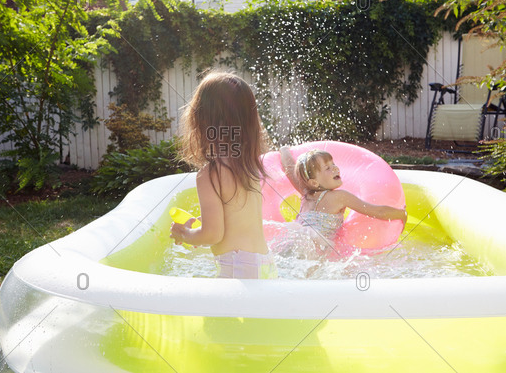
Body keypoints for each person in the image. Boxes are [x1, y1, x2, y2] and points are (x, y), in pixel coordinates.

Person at [170, 71, 277, 279]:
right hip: (264, 262)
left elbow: (213, 235)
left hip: (239, 267)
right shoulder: (250, 166)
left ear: (200, 121)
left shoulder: (210, 174)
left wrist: (184, 233)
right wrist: (207, 220)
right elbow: (237, 214)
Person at [280, 146, 407, 254]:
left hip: (296, 241)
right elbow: (378, 212)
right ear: (314, 182)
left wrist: (284, 150)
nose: (335, 168)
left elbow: (290, 170)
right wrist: (402, 214)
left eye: (333, 164)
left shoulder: (305, 193)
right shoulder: (340, 197)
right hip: (318, 249)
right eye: (327, 168)